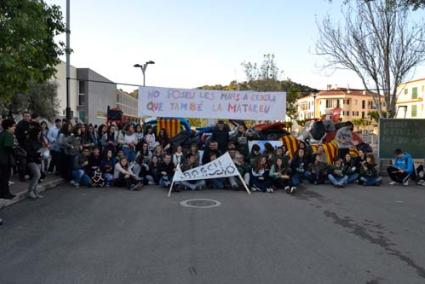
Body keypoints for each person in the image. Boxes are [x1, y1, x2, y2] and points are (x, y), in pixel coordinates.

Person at [24, 122, 44, 199]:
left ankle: (35, 192)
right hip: (31, 160)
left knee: (37, 176)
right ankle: (30, 191)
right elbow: (29, 152)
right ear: (34, 133)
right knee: (37, 174)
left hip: (38, 160)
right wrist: (38, 153)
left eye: (40, 133)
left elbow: (40, 150)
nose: (39, 134)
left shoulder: (39, 141)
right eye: (38, 133)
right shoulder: (29, 141)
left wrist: (42, 153)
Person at [0, 119, 16, 200]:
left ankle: (3, 193)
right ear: (9, 127)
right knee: (6, 177)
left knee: (2, 177)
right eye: (13, 126)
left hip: (1, 159)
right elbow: (8, 147)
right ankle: (6, 194)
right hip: (5, 159)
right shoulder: (8, 134)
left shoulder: (2, 133)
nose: (14, 128)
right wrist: (14, 148)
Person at [15, 111, 31, 181]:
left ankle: (27, 174)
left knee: (28, 161)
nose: (27, 117)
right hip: (21, 146)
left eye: (28, 116)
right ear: (23, 116)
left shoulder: (30, 124)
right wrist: (25, 134)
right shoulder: (20, 124)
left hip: (28, 146)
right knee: (22, 162)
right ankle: (21, 177)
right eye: (26, 116)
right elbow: (18, 135)